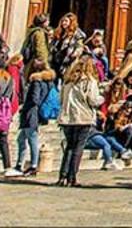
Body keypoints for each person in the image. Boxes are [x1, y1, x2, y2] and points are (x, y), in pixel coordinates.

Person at [55, 56, 102, 188]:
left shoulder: (67, 82)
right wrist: (102, 98)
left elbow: (61, 99)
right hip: (83, 117)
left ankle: (62, 176)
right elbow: (93, 100)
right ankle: (72, 177)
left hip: (67, 118)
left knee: (69, 146)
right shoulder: (89, 82)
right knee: (78, 148)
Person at [16, 51, 55, 176]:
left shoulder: (36, 81)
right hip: (36, 113)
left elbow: (35, 98)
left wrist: (26, 104)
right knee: (21, 138)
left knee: (32, 138)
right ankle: (19, 163)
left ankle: (33, 165)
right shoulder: (48, 81)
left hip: (31, 112)